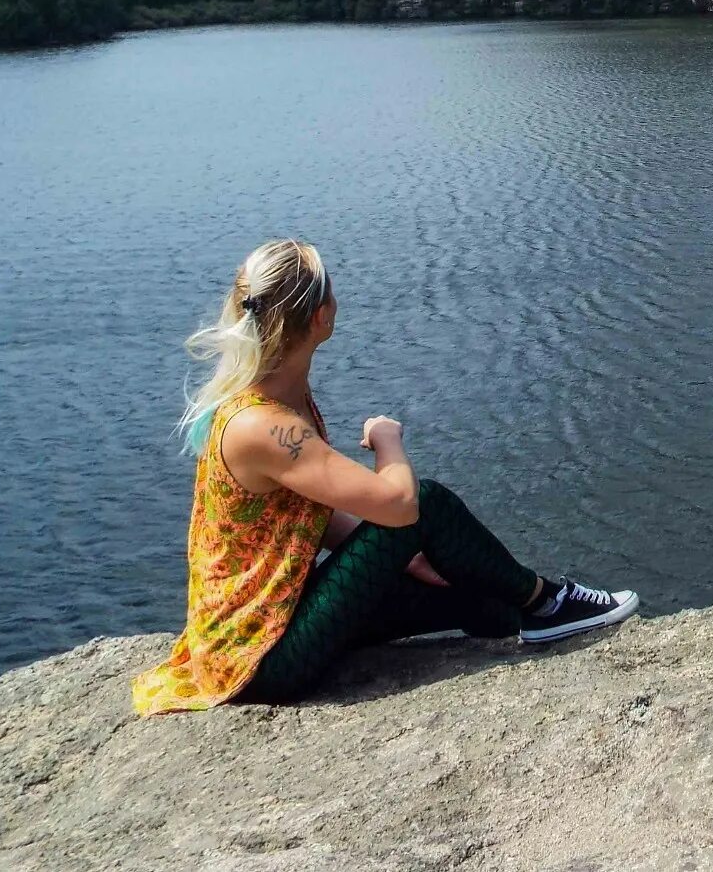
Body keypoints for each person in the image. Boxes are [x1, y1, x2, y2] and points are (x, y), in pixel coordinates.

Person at [133, 239, 637, 715]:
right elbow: (399, 504)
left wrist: (402, 554)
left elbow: (304, 512)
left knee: (470, 595)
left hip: (278, 617)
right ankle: (549, 600)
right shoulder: (261, 424)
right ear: (321, 316)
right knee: (429, 501)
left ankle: (539, 620)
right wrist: (386, 439)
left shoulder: (276, 398)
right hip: (260, 660)